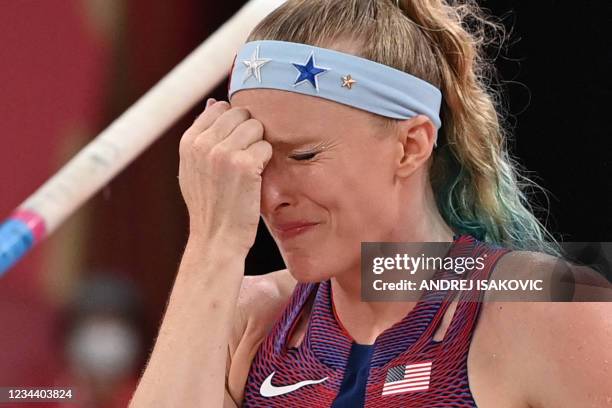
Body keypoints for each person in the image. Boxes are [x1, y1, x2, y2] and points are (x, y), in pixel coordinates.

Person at [129, 0, 612, 407]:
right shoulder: (249, 318)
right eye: (254, 161)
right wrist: (212, 244)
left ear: (410, 146)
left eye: (303, 154)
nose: (270, 195)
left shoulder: (551, 310)